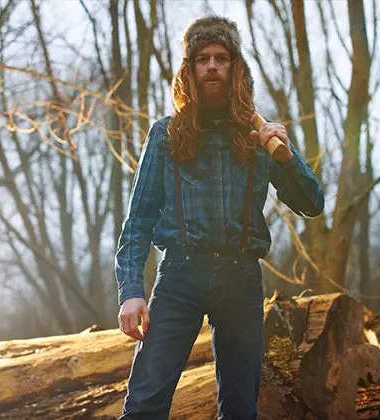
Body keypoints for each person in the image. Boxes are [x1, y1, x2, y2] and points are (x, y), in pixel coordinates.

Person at [114, 16, 324, 420]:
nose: (212, 66)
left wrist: (284, 154)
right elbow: (137, 222)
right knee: (143, 404)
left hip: (240, 277)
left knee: (241, 411)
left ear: (235, 69)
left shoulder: (259, 135)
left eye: (222, 58)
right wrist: (131, 292)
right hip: (179, 274)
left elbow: (312, 203)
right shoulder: (165, 134)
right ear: (189, 70)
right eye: (203, 59)